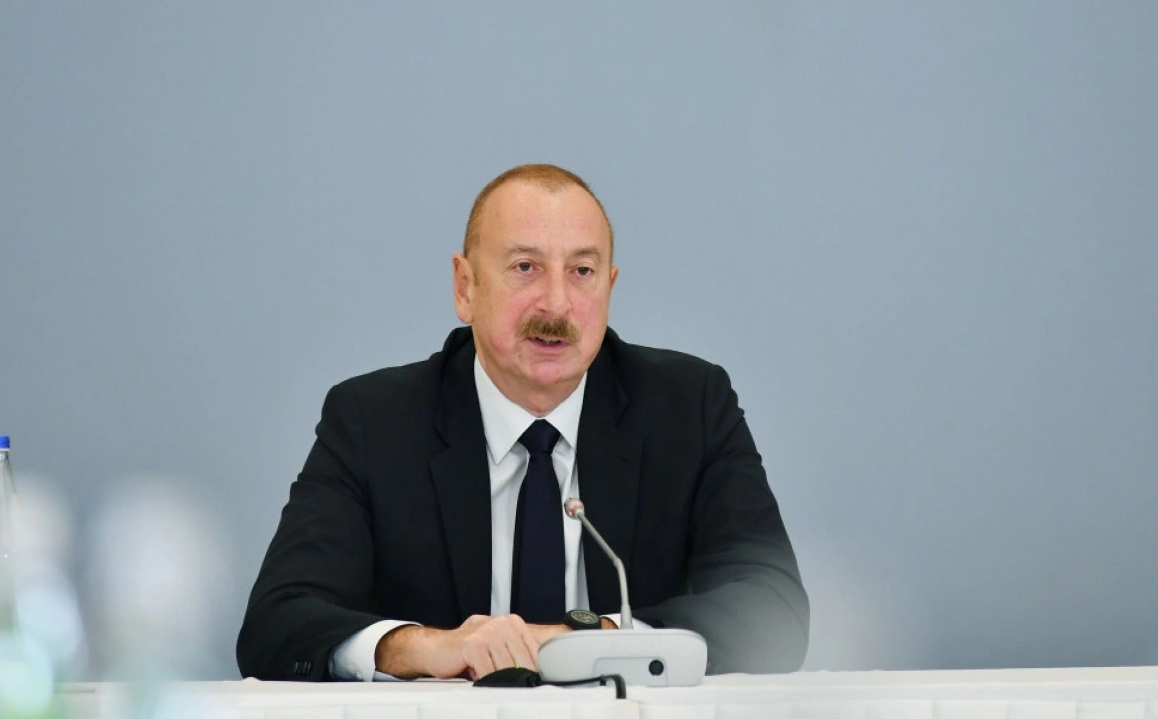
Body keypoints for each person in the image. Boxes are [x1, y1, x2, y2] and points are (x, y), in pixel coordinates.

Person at [237, 164, 809, 681]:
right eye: (525, 268)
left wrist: (591, 641)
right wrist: (421, 647)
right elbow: (278, 624)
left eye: (582, 271)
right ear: (466, 287)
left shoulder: (689, 409)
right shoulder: (373, 422)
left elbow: (773, 608)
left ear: (609, 287)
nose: (556, 305)